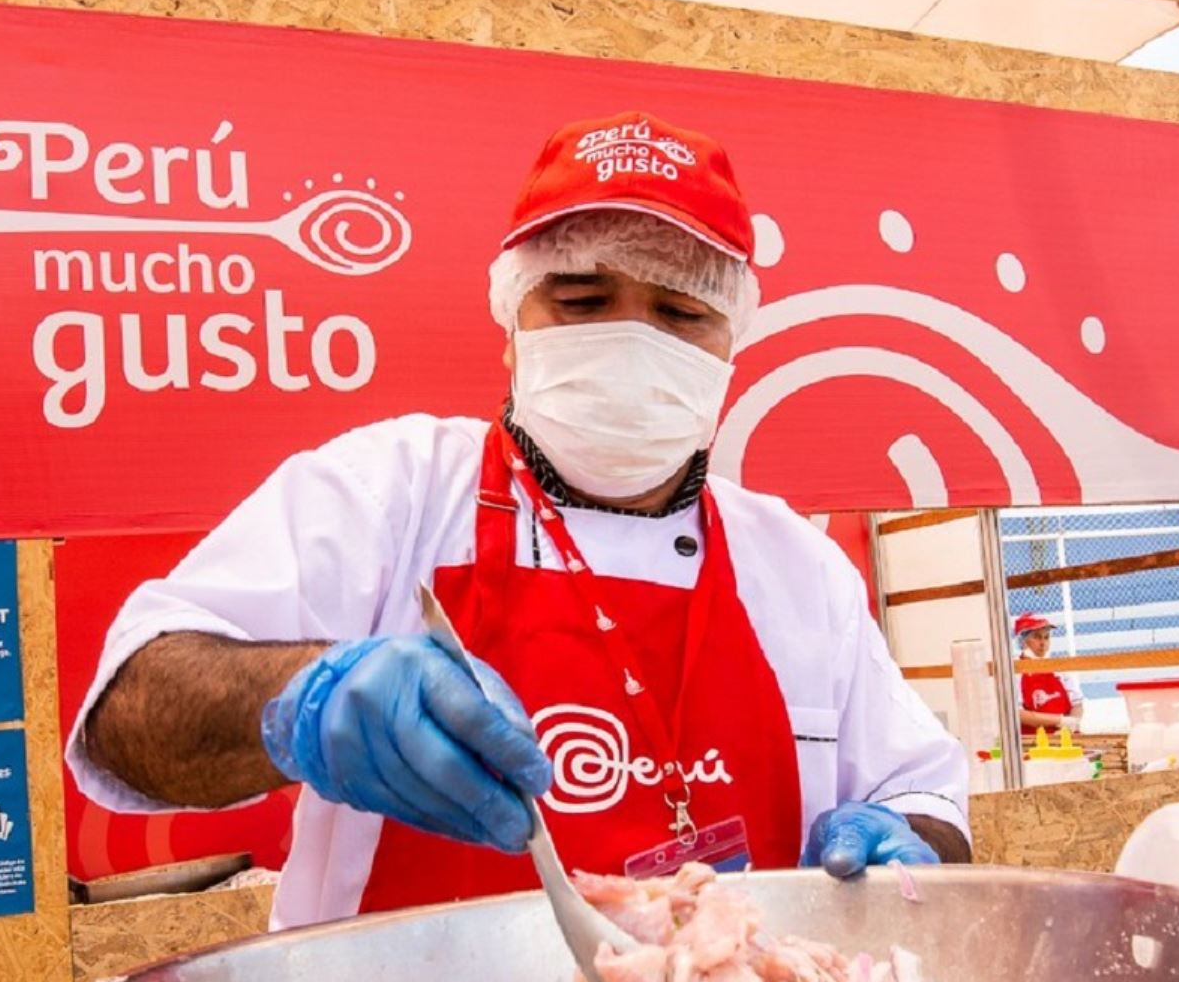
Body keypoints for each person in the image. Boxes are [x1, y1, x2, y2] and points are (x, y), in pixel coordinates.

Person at [72, 110, 970, 931]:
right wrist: (305, 696)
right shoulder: (393, 492)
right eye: (581, 302)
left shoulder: (798, 567)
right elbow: (129, 716)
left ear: (730, 340)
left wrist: (904, 837)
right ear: (512, 321)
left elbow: (927, 795)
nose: (630, 339)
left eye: (680, 311)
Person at [1015, 612, 1083, 736]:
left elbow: (1077, 704)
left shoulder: (1058, 669)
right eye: (1037, 637)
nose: (1043, 643)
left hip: (1066, 739)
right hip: (1034, 742)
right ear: (1023, 640)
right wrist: (1060, 721)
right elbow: (1018, 713)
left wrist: (1071, 724)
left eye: (1046, 637)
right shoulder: (1016, 671)